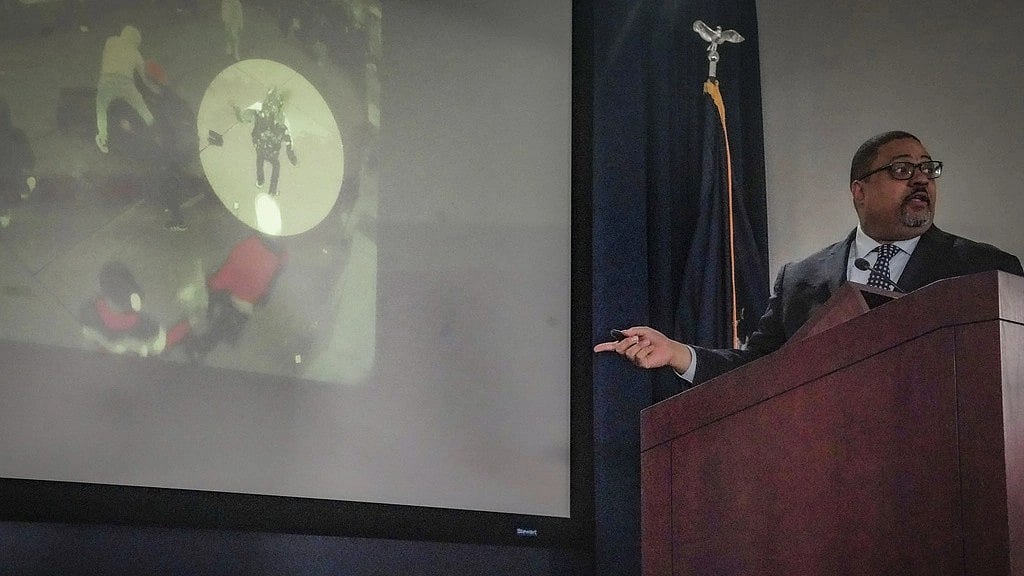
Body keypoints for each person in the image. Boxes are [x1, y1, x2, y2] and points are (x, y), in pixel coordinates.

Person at [595, 130, 1024, 387]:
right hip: (827, 470)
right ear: (859, 190)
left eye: (928, 170)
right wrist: (676, 353)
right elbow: (758, 369)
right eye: (900, 169)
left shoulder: (984, 271)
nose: (919, 179)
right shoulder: (801, 279)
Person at [95, 25, 162, 154]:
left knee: (101, 108)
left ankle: (103, 139)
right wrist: (153, 88)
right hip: (126, 84)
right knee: (141, 107)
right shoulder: (136, 53)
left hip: (106, 82)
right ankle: (156, 131)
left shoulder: (111, 41)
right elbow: (144, 77)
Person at [237, 88, 298, 196]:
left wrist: (239, 114)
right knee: (276, 166)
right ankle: (272, 190)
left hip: (260, 145)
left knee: (259, 160)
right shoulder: (282, 123)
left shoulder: (259, 109)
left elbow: (245, 116)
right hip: (273, 151)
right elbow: (289, 140)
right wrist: (291, 156)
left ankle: (260, 181)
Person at [0, 97, 35, 230]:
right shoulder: (17, 134)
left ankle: (3, 214)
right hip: (14, 172)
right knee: (17, 177)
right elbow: (28, 159)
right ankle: (23, 190)